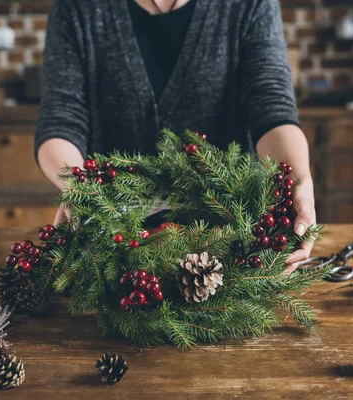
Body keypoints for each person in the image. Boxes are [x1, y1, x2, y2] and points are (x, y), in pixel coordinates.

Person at [35, 0, 316, 273]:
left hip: (229, 245)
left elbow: (271, 104)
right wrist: (79, 188)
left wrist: (299, 178)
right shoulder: (76, 7)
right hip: (116, 246)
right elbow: (61, 119)